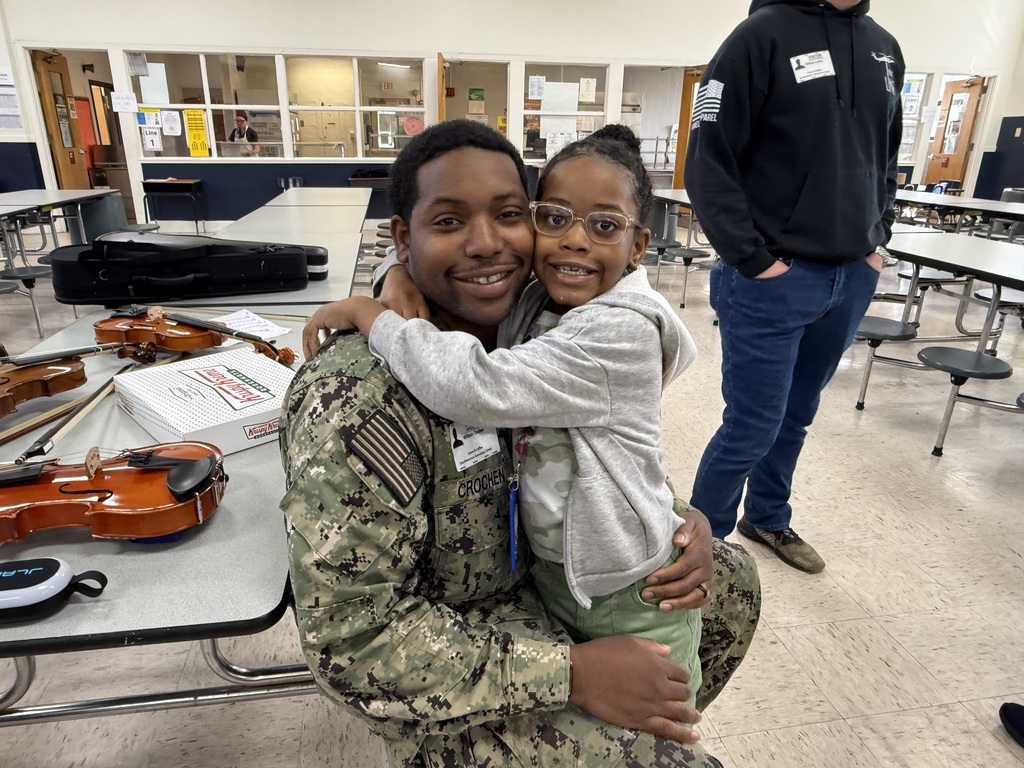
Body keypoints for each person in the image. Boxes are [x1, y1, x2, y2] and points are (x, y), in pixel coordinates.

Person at [281, 119, 760, 767]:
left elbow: (594, 446)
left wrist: (677, 521)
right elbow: (350, 642)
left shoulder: (536, 317)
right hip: (450, 643)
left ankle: (645, 720)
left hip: (546, 576)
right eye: (448, 222)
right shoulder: (360, 397)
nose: (486, 244)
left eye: (509, 215)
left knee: (730, 579)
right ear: (405, 236)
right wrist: (571, 673)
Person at [684, 0, 904, 572]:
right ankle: (694, 550)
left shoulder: (884, 47)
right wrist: (754, 260)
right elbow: (709, 159)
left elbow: (887, 155)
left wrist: (877, 241)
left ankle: (768, 517)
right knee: (752, 424)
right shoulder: (758, 38)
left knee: (797, 414)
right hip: (771, 279)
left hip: (850, 275)